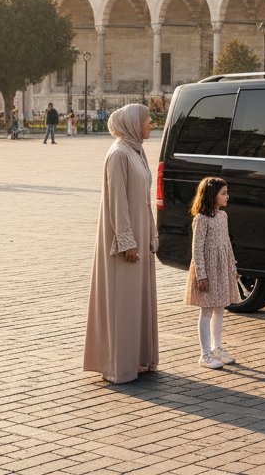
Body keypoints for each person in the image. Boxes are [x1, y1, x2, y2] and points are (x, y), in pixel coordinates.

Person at [83, 103, 159, 384]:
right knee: (122, 301)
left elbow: (143, 199)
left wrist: (150, 234)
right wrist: (127, 241)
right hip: (122, 242)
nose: (150, 123)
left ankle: (138, 359)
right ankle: (117, 365)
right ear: (131, 123)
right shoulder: (118, 154)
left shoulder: (136, 151)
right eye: (146, 119)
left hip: (139, 234)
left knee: (137, 300)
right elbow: (118, 202)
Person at [184, 176, 241, 369]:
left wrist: (232, 268)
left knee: (220, 308)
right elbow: (197, 249)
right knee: (207, 310)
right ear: (211, 195)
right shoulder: (201, 219)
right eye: (223, 193)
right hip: (208, 269)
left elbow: (227, 244)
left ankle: (217, 348)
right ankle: (205, 354)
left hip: (222, 268)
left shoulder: (223, 216)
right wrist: (201, 274)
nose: (227, 196)